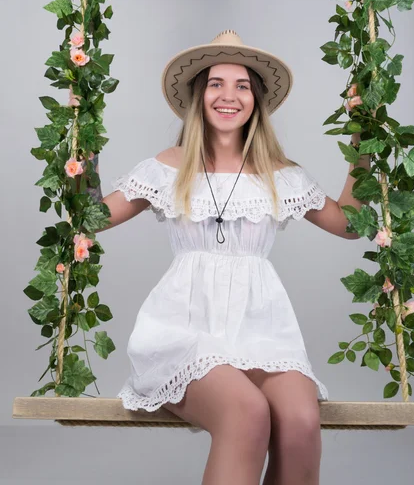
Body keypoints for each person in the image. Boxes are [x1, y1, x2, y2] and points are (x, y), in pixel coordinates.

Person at [87, 30, 366, 485]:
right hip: (186, 327)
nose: (228, 95)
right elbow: (91, 220)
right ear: (199, 96)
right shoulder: (169, 166)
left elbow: (351, 225)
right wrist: (85, 156)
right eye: (217, 83)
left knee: (300, 422)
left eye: (242, 86)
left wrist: (362, 143)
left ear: (255, 99)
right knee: (247, 414)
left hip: (262, 329)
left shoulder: (281, 174)